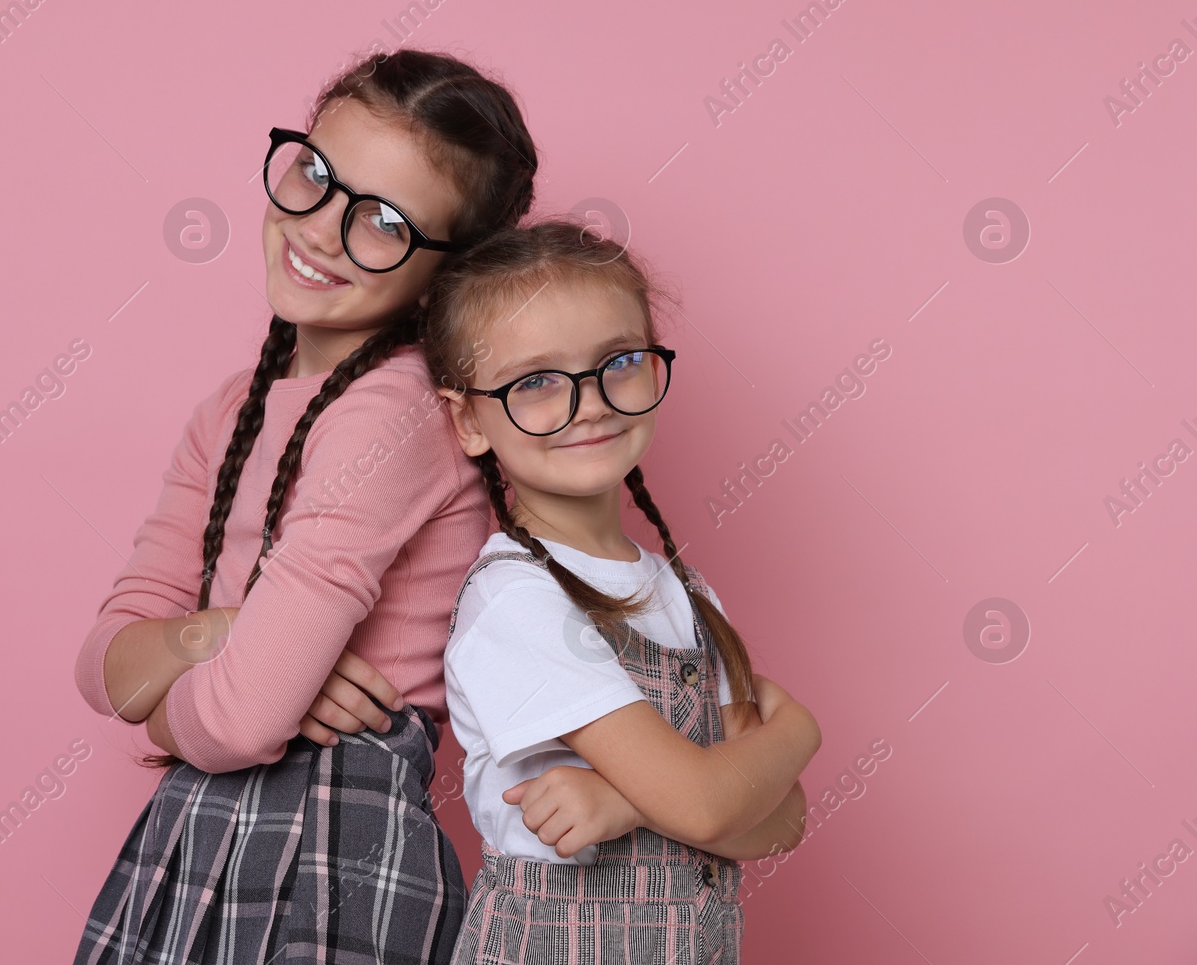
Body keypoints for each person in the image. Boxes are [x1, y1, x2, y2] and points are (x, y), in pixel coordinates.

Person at [70, 48, 539, 965]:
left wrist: (180, 700)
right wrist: (223, 635)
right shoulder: (232, 408)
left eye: (385, 223)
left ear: (446, 271)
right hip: (201, 830)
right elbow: (104, 664)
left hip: (328, 848)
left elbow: (240, 721)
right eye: (316, 174)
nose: (323, 229)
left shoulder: (393, 412)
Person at [421, 220, 822, 964]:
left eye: (619, 361)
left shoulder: (689, 594)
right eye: (535, 380)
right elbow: (711, 804)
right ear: (469, 418)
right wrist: (797, 731)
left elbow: (783, 818)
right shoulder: (518, 600)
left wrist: (626, 802)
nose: (593, 402)